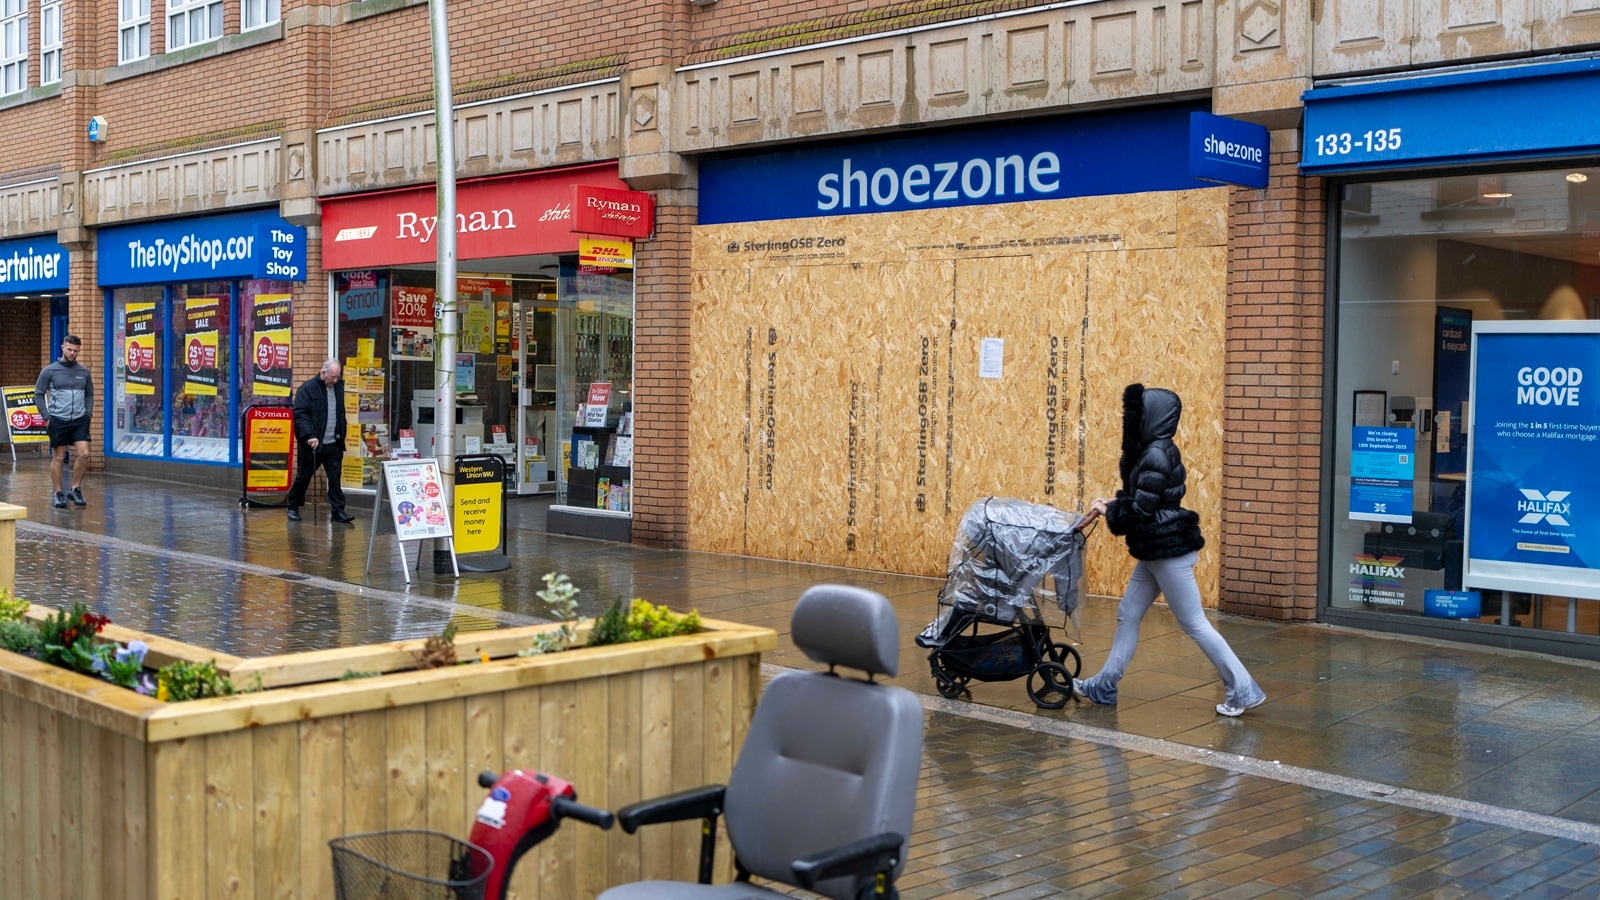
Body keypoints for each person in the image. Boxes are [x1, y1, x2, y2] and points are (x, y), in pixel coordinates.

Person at [1074, 384, 1266, 717]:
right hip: (1155, 549)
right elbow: (1147, 499)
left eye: (1138, 415)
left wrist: (1112, 510)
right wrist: (1116, 502)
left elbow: (1142, 510)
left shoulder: (1156, 454)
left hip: (1167, 552)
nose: (1132, 421)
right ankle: (1104, 685)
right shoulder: (1154, 451)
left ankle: (1244, 690)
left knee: (1195, 623)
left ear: (1152, 417)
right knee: (1127, 613)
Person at [287, 359, 356, 523]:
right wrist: (309, 435)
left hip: (333, 443)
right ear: (323, 372)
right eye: (332, 377)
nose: (335, 380)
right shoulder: (307, 389)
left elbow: (340, 413)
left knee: (335, 479)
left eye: (338, 377)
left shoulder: (337, 388)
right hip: (313, 444)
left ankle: (338, 511)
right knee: (304, 477)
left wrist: (342, 433)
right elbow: (300, 414)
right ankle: (293, 506)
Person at [35, 334, 93, 510]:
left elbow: (89, 394)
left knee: (84, 454)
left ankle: (75, 489)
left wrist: (88, 414)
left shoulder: (84, 371)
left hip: (80, 419)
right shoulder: (49, 371)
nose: (72, 353)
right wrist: (47, 417)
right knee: (59, 456)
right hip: (58, 419)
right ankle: (58, 493)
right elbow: (38, 394)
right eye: (69, 349)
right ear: (62, 347)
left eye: (76, 351)